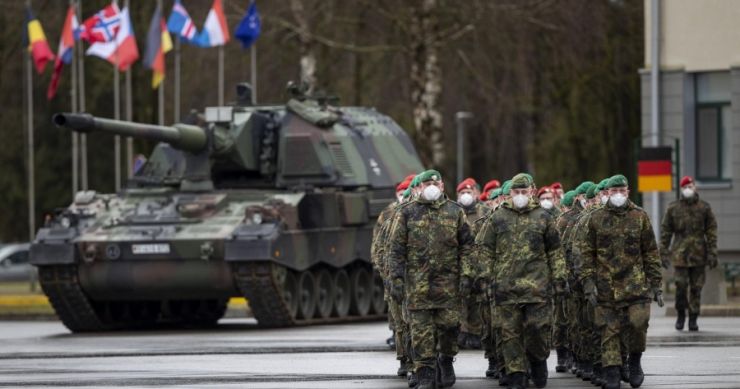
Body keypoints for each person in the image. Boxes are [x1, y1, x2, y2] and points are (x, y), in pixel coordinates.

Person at [475, 173, 568, 389]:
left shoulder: (543, 217)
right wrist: (484, 278)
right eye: (516, 192)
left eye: (523, 192)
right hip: (506, 289)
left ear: (531, 192)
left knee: (538, 329)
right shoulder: (498, 218)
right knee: (510, 334)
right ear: (510, 194)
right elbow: (485, 250)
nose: (519, 196)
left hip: (537, 288)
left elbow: (555, 251)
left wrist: (559, 278)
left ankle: (537, 361)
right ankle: (516, 373)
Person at [575, 175, 663, 389]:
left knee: (638, 324)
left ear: (628, 192)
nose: (617, 195)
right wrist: (588, 283)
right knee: (609, 330)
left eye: (621, 191)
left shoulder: (639, 216)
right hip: (606, 286)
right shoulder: (595, 219)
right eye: (613, 191)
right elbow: (586, 254)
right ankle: (612, 370)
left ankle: (634, 361)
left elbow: (650, 251)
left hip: (635, 286)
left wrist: (656, 284)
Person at [388, 169, 474, 389]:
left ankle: (445, 359)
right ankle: (425, 372)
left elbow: (467, 247)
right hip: (418, 288)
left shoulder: (455, 212)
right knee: (421, 333)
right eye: (427, 184)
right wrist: (395, 279)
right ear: (420, 187)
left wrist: (466, 275)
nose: (431, 187)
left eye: (435, 183)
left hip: (448, 287)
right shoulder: (407, 213)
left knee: (449, 328)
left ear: (443, 187)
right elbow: (396, 249)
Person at [660, 175, 718, 332]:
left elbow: (711, 230)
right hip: (680, 256)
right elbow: (666, 231)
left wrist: (713, 252)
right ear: (681, 189)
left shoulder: (704, 208)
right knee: (680, 286)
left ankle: (693, 318)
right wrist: (663, 252)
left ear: (695, 187)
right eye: (685, 187)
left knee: (696, 289)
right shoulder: (673, 208)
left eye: (690, 186)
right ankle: (680, 315)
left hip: (699, 255)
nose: (688, 189)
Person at [371, 174, 415, 377]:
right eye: (401, 194)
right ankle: (405, 359)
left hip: (418, 279)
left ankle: (423, 362)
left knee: (417, 323)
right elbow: (379, 247)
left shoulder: (419, 215)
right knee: (400, 324)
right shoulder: (388, 216)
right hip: (395, 277)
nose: (403, 198)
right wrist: (385, 272)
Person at [456, 178, 489, 350]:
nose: (466, 196)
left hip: (480, 262)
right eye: (462, 193)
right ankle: (462, 331)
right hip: (462, 262)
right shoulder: (455, 212)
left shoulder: (484, 211)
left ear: (475, 193)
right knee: (461, 297)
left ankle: (476, 332)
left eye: (468, 192)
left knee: (477, 298)